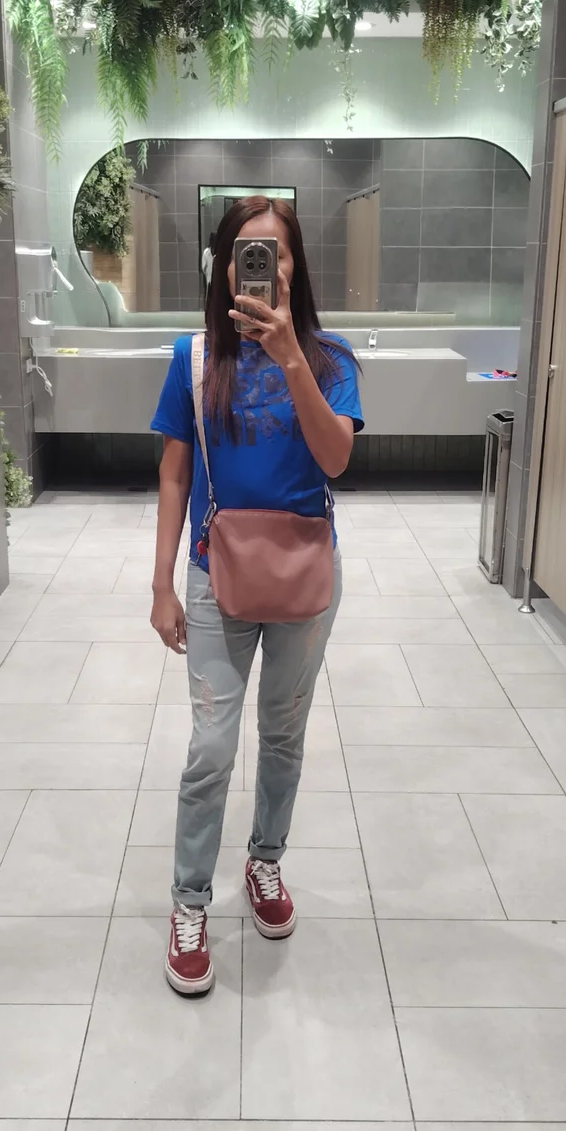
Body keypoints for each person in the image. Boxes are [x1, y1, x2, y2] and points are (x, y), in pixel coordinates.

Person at [150, 197, 363, 996]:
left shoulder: (331, 359)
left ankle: (264, 860)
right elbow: (175, 474)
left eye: (275, 251)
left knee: (283, 734)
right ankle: (190, 899)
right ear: (225, 266)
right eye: (246, 250)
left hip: (305, 576)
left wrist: (291, 357)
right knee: (211, 746)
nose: (261, 264)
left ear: (294, 265)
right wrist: (160, 583)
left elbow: (336, 458)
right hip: (216, 575)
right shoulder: (195, 357)